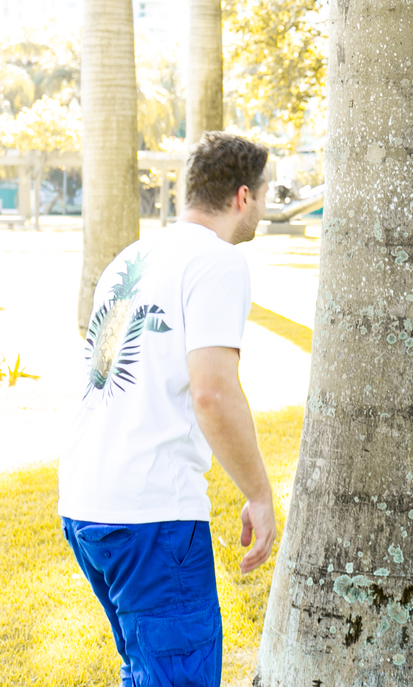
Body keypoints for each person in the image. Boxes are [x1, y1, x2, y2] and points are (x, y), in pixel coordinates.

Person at [58, 131, 276, 687]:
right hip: (150, 515)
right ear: (244, 196)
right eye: (268, 192)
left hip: (85, 502)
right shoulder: (218, 263)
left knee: (144, 670)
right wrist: (259, 494)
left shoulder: (130, 258)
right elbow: (213, 392)